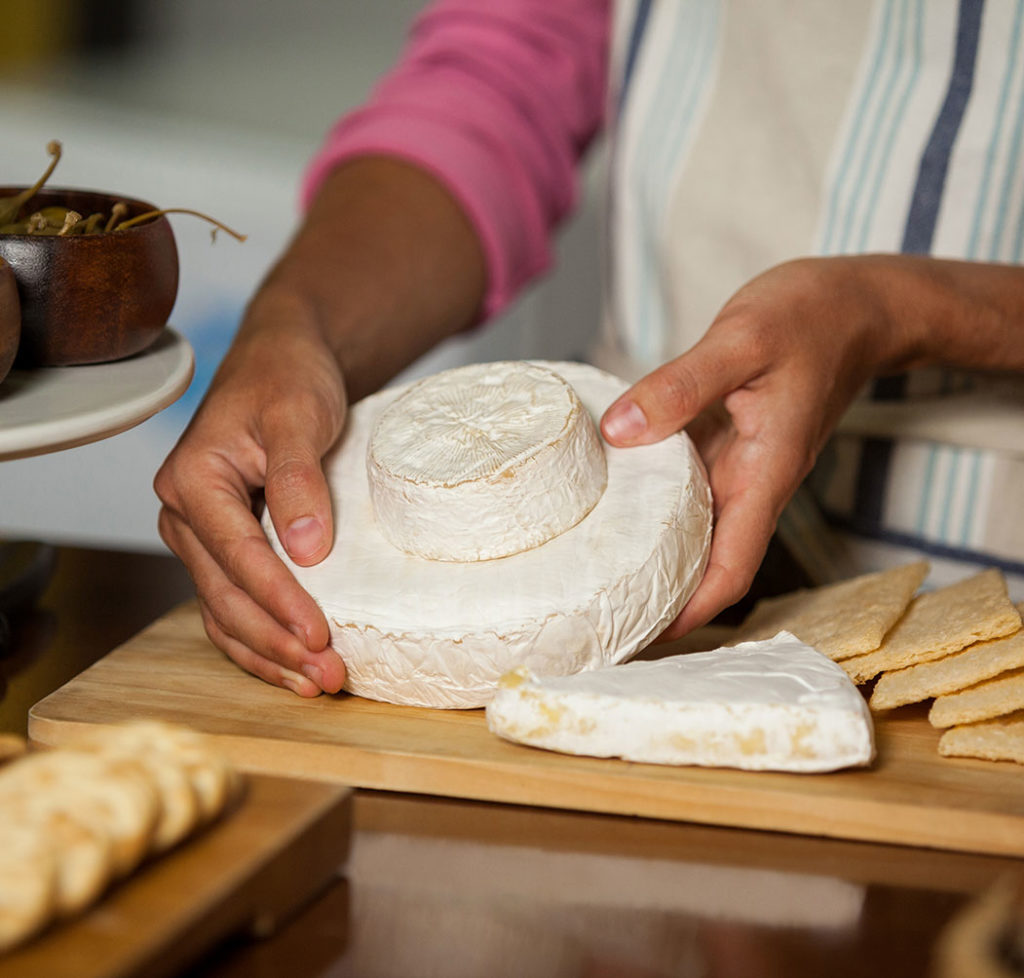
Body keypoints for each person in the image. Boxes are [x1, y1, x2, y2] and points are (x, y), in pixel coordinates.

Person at [155, 0, 1024, 697]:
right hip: (634, 522)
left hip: (986, 587)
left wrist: (899, 310)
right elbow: (502, 72)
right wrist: (297, 318)